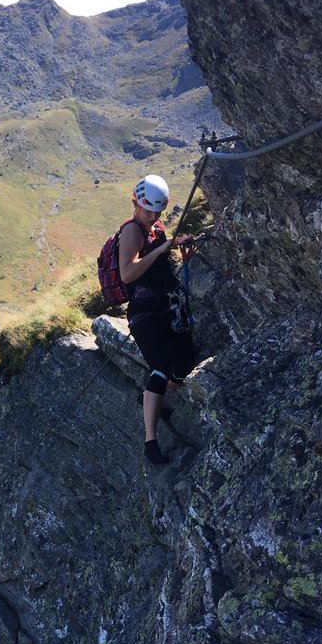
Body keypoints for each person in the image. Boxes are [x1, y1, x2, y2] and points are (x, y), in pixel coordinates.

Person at [118, 175, 195, 465]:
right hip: (145, 314)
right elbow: (127, 273)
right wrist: (163, 249)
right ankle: (151, 443)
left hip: (165, 307)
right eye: (148, 210)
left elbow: (157, 264)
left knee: (183, 368)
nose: (153, 216)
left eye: (158, 212)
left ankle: (148, 397)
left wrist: (177, 248)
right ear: (136, 203)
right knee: (161, 371)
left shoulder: (156, 228)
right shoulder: (132, 232)